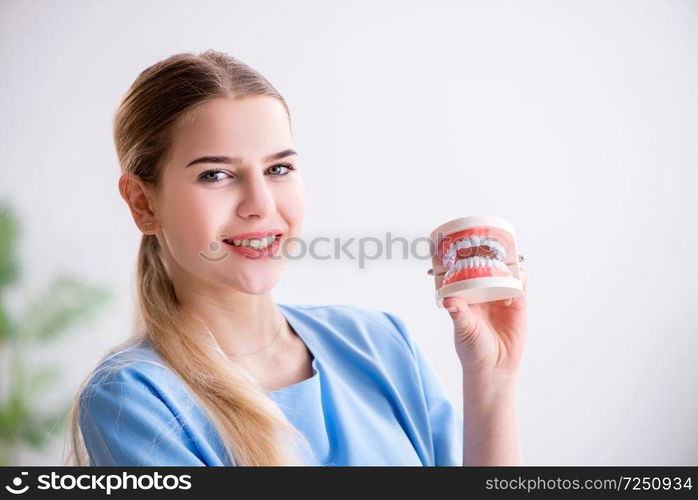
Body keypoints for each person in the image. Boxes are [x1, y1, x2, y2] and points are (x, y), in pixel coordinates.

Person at [64, 50, 528, 467]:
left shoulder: (380, 342)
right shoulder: (133, 399)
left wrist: (492, 379)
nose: (260, 204)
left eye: (278, 168)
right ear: (143, 203)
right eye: (216, 174)